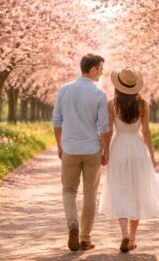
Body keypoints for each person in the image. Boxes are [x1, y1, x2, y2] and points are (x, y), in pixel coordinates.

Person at [98, 67, 159, 252]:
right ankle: (132, 239)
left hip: (119, 147)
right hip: (138, 149)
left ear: (118, 85)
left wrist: (105, 153)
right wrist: (152, 156)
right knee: (136, 192)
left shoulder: (111, 103)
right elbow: (146, 132)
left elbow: (108, 132)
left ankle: (123, 234)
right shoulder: (143, 104)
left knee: (119, 190)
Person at [52, 54, 111, 251]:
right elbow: (104, 127)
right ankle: (85, 238)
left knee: (69, 190)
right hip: (92, 149)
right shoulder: (100, 94)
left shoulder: (64, 90)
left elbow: (57, 121)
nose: (102, 72)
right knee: (90, 194)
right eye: (101, 68)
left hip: (69, 148)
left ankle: (72, 225)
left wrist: (59, 145)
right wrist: (106, 151)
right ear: (93, 69)